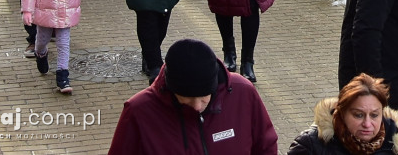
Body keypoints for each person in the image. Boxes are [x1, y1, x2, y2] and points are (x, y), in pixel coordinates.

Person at [109, 38, 278, 154]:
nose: (197, 106)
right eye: (187, 98)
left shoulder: (243, 92)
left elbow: (265, 146)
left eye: (204, 96)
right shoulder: (139, 110)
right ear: (171, 88)